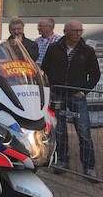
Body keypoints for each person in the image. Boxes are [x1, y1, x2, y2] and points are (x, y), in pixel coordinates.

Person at [41, 20, 100, 183]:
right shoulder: (54, 49)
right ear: (65, 31)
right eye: (74, 30)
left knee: (84, 132)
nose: (78, 33)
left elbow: (95, 75)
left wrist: (84, 92)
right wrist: (51, 88)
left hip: (77, 97)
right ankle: (62, 161)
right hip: (58, 95)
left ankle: (89, 167)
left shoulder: (87, 51)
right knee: (59, 130)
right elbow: (45, 69)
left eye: (80, 30)